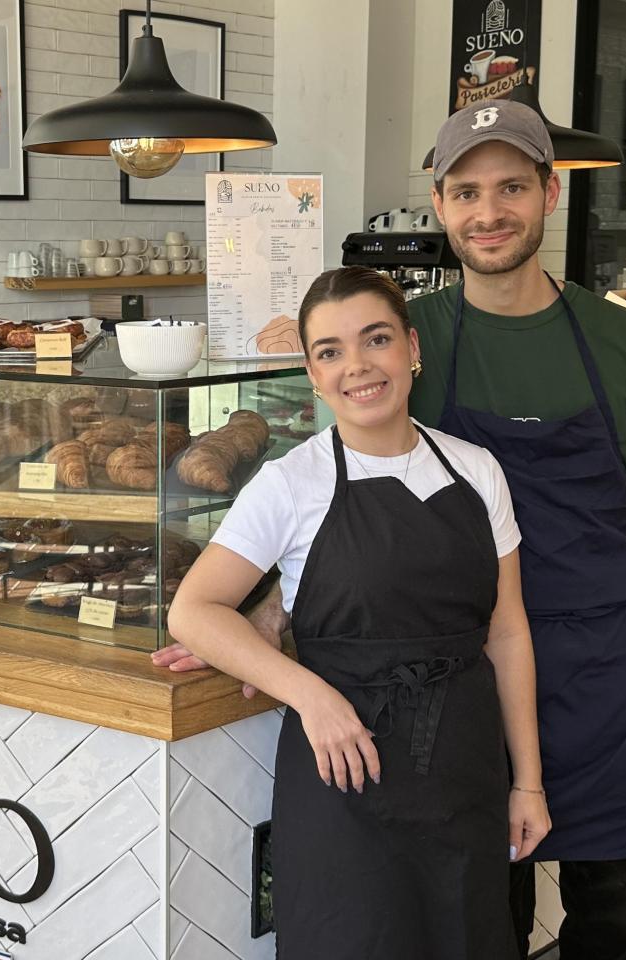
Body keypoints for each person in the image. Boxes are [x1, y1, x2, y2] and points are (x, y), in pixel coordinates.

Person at [155, 99, 626, 960]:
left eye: (509, 187)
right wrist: (271, 606)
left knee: (621, 928)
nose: (488, 211)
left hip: (617, 690)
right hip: (466, 703)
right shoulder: (409, 338)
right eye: (466, 192)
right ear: (440, 204)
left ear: (549, 191)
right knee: (480, 930)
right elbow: (347, 487)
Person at [164, 266, 550, 959]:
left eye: (375, 340)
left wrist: (528, 781)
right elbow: (194, 611)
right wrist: (310, 695)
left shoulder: (476, 471)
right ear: (313, 375)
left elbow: (509, 631)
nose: (357, 367)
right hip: (343, 780)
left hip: (464, 769)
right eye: (331, 352)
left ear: (411, 348)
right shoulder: (289, 483)